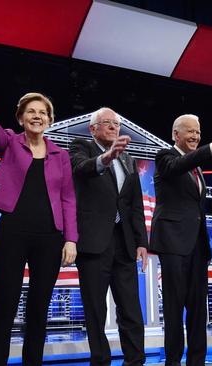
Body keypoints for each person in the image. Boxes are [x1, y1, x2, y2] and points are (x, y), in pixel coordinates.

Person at [0, 44, 78, 366]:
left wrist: (71, 239)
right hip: (13, 232)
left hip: (50, 238)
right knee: (5, 306)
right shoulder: (10, 142)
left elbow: (68, 198)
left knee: (39, 310)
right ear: (21, 118)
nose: (37, 116)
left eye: (43, 113)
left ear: (50, 120)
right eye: (31, 112)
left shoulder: (61, 156)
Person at [150, 114, 212, 365]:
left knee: (199, 310)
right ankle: (174, 361)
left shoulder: (197, 167)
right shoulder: (164, 157)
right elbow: (178, 165)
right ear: (175, 134)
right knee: (174, 308)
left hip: (197, 247)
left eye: (198, 132)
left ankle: (197, 361)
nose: (195, 136)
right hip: (173, 244)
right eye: (190, 132)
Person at [69, 107, 148, 365]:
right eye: (108, 124)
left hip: (124, 243)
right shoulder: (81, 146)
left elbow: (135, 204)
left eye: (117, 124)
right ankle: (100, 361)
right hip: (93, 243)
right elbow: (80, 169)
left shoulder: (128, 159)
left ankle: (135, 361)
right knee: (95, 311)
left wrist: (141, 243)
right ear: (93, 128)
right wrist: (107, 156)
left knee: (132, 311)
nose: (115, 128)